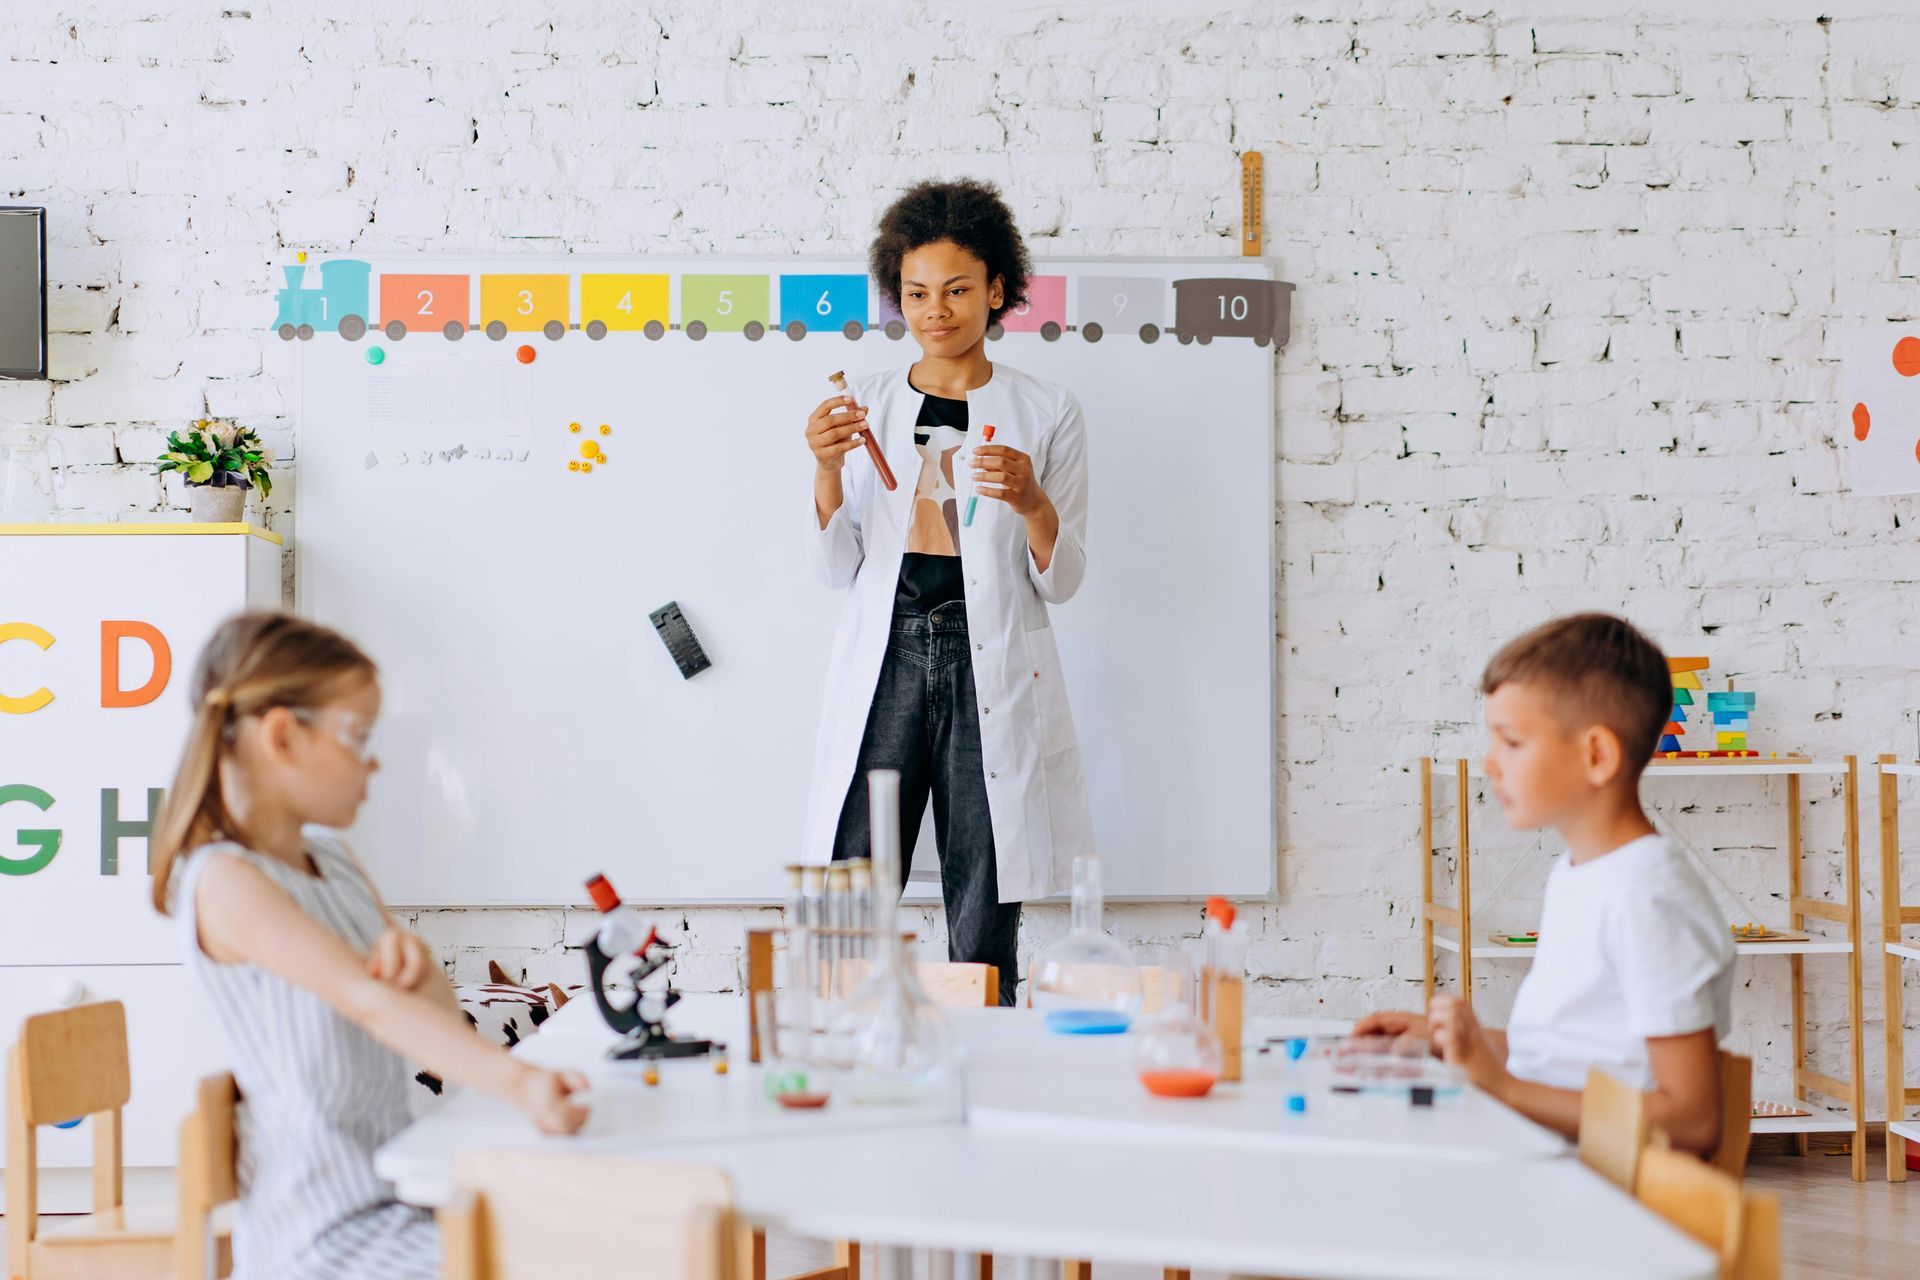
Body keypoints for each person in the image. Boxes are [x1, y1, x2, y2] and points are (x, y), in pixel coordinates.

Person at [150, 611, 589, 1279]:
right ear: (283, 737)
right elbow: (366, 1002)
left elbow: (425, 1015)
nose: (375, 760)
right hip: (325, 1236)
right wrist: (522, 1084)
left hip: (401, 1193)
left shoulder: (335, 861)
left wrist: (421, 977)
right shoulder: (226, 882)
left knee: (585, 1236)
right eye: (358, 736)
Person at [799, 178, 1093, 1005]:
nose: (937, 310)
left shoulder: (1046, 410)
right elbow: (837, 566)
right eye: (918, 292)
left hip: (985, 653)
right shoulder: (868, 404)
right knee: (853, 877)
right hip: (888, 649)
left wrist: (1034, 502)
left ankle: (992, 1054)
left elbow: (1063, 580)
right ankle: (838, 1039)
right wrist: (826, 467)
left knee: (986, 882)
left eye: (959, 289)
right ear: (898, 296)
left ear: (997, 290)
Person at [1357, 613, 1733, 1153]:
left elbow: (1694, 1121)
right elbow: (1567, 1057)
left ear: (1597, 756)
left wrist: (1502, 1086)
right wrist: (1452, 1044)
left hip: (1596, 1194)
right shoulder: (1580, 874)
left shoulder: (1648, 897)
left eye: (1510, 742)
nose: (1489, 763)